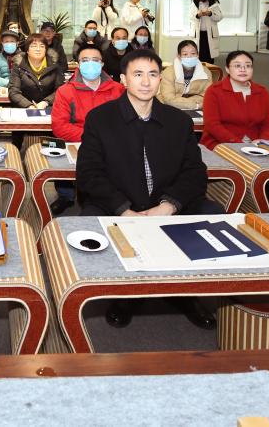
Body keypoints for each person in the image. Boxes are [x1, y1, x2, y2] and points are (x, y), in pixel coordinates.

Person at [76, 48, 219, 329]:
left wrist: (168, 206)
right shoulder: (100, 118)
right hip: (119, 205)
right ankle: (125, 294)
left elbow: (195, 172)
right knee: (86, 229)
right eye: (138, 74)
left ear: (160, 80)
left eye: (152, 75)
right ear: (123, 80)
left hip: (167, 203)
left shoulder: (178, 121)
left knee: (214, 216)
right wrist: (124, 210)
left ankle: (186, 292)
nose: (145, 82)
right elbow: (89, 174)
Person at [201, 51, 269, 211]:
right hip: (221, 145)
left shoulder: (261, 92)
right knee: (247, 172)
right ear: (227, 69)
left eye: (248, 66)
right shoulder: (214, 91)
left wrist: (262, 140)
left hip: (256, 147)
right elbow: (212, 125)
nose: (243, 69)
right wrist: (237, 144)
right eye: (237, 66)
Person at [50, 45, 125, 214]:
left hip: (111, 144)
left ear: (102, 63)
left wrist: (108, 139)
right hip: (77, 142)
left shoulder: (118, 90)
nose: (90, 64)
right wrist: (92, 138)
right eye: (85, 60)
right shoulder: (65, 91)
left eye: (95, 60)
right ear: (78, 64)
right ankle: (66, 196)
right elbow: (60, 126)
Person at [157, 39, 212, 111]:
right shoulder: (168, 73)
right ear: (179, 56)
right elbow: (169, 99)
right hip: (169, 108)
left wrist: (183, 102)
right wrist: (195, 104)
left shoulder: (206, 73)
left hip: (197, 109)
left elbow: (207, 96)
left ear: (198, 55)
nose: (189, 57)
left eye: (193, 53)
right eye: (185, 54)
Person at [193, 0, 223, 65]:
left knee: (209, 54)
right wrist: (197, 15)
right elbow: (190, 16)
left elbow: (219, 17)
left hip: (210, 34)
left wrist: (210, 14)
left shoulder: (214, 4)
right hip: (199, 34)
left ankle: (210, 69)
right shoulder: (195, 3)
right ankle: (199, 69)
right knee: (199, 54)